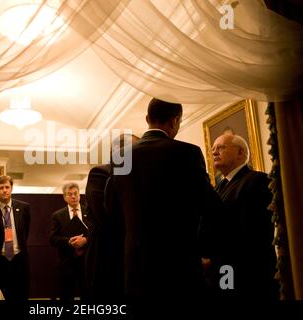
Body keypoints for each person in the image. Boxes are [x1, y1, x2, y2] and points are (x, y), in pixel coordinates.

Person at [112, 98, 222, 299]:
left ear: (147, 118)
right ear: (175, 121)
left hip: (136, 264)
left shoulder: (121, 157)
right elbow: (210, 206)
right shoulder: (188, 153)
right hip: (178, 263)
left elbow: (112, 211)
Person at [212, 133, 278, 299]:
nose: (214, 152)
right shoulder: (218, 188)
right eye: (213, 149)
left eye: (220, 147)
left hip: (250, 274)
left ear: (240, 152)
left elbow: (252, 231)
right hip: (225, 272)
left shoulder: (257, 180)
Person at [85, 133, 140, 300]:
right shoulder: (100, 173)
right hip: (107, 255)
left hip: (132, 255)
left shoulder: (138, 175)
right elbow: (106, 217)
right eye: (135, 149)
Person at [0, 175, 31, 301]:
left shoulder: (24, 207)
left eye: (7, 187)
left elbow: (25, 231)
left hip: (18, 260)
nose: (4, 190)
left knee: (19, 295)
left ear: (11, 188)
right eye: (1, 188)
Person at [50, 182, 90, 301]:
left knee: (87, 295)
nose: (73, 196)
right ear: (64, 197)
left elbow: (98, 234)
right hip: (67, 263)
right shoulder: (57, 215)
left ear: (79, 195)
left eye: (75, 194)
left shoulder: (90, 212)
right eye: (69, 194)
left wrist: (86, 240)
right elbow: (52, 239)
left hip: (87, 262)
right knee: (66, 296)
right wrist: (68, 241)